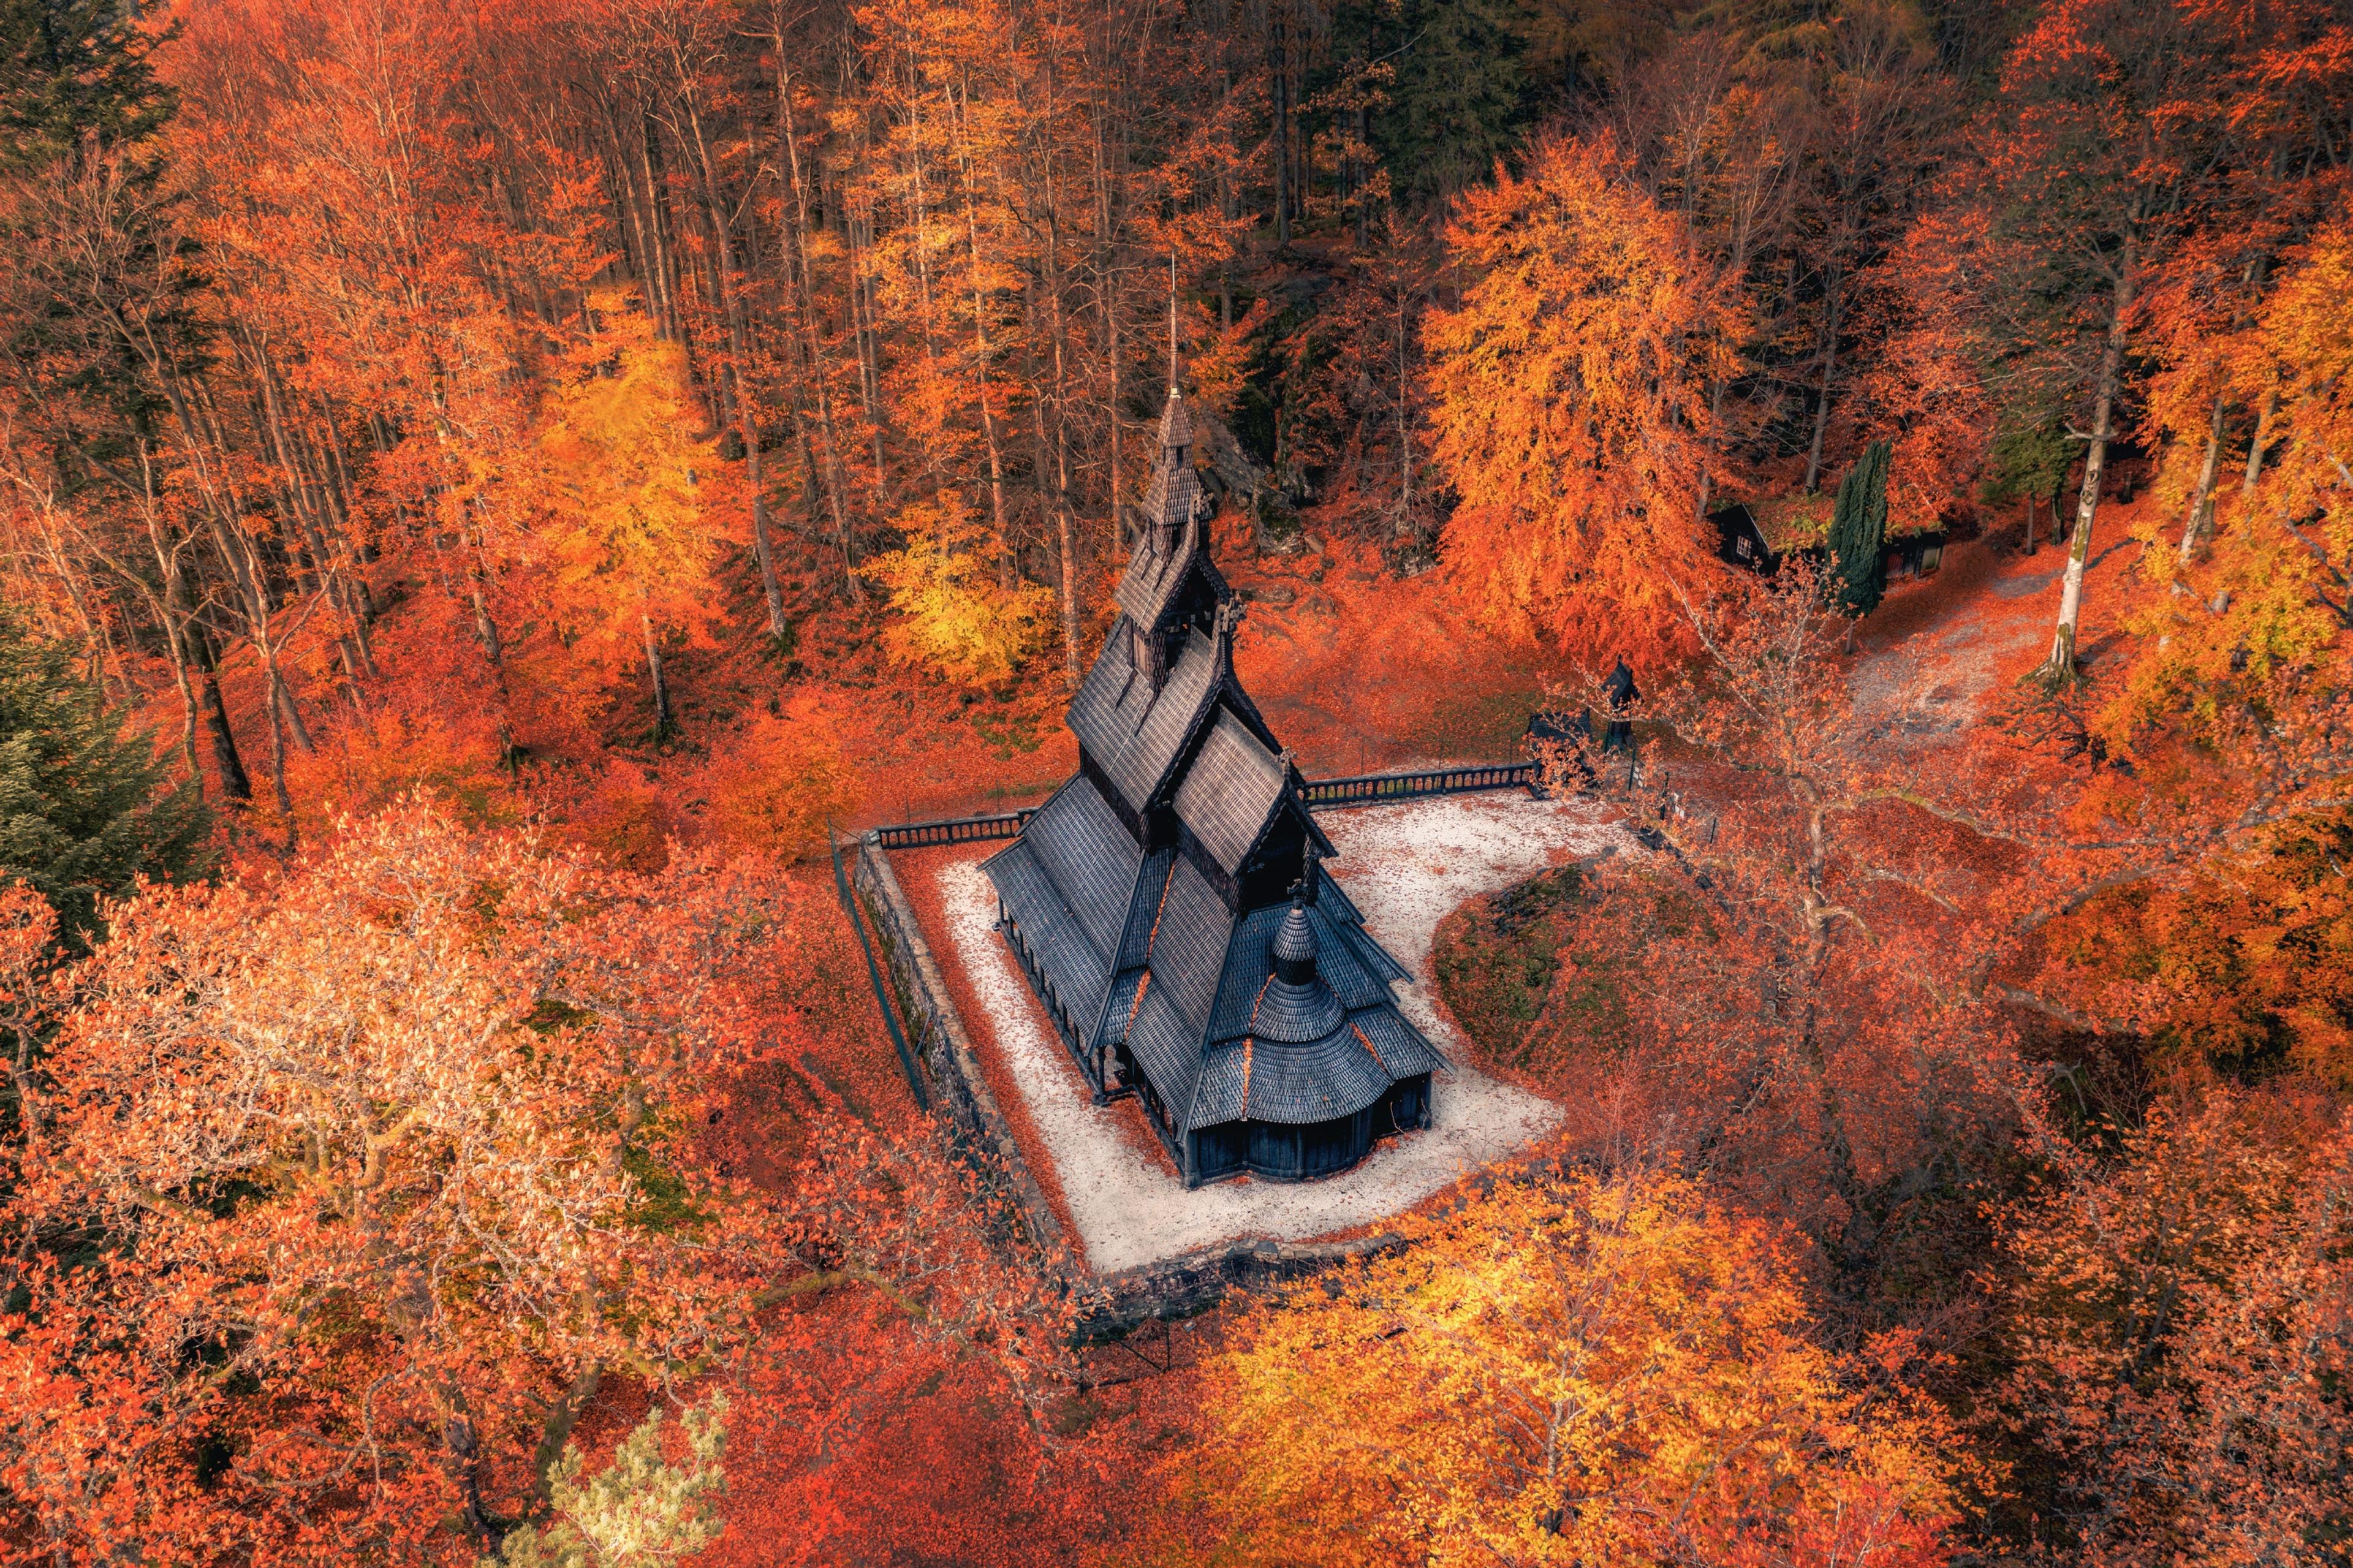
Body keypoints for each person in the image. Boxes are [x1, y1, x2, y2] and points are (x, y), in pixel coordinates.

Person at [1603, 654, 1637, 754]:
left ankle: (1620, 742)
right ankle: (1616, 746)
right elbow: (1631, 688)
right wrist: (1638, 697)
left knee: (1621, 723)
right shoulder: (1624, 676)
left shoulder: (1625, 674)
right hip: (1619, 706)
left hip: (1621, 705)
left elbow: (1631, 687)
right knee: (1618, 725)